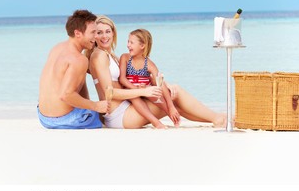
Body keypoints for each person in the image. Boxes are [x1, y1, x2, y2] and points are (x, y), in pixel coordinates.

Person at [86, 15, 227, 129]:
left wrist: (161, 86)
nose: (104, 36)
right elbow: (108, 93)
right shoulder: (99, 56)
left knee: (173, 98)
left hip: (126, 107)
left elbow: (133, 79)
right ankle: (217, 118)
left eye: (107, 31)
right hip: (119, 115)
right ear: (94, 36)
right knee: (174, 97)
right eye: (99, 32)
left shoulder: (112, 56)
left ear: (113, 33)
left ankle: (215, 119)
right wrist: (143, 92)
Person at [37, 10, 109, 129]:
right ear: (78, 33)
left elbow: (76, 83)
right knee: (109, 117)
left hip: (43, 117)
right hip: (64, 119)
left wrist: (87, 104)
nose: (96, 37)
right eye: (92, 32)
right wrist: (95, 106)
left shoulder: (57, 48)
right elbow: (66, 95)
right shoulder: (79, 59)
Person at [118, 29, 181, 128]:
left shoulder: (150, 64)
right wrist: (137, 89)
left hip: (145, 90)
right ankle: (155, 122)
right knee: (135, 98)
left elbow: (160, 83)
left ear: (142, 46)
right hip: (130, 90)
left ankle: (172, 116)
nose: (128, 45)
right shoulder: (125, 58)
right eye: (128, 42)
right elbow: (122, 79)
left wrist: (171, 106)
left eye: (131, 42)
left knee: (157, 96)